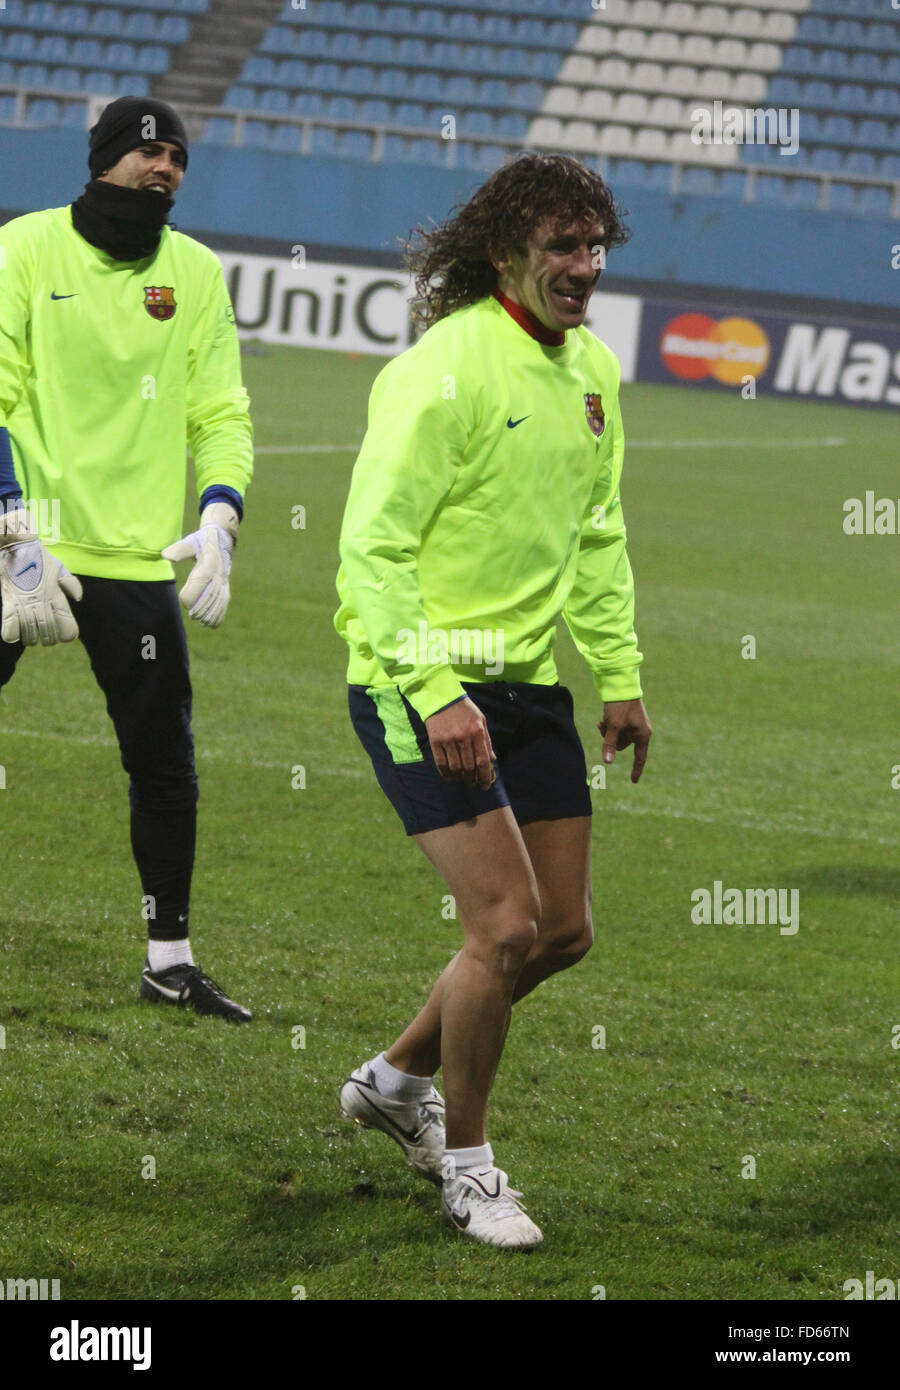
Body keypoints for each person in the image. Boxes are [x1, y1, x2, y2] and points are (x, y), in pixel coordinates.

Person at [334, 153, 652, 1248]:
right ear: (506, 251)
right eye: (563, 245)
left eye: (595, 243)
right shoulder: (442, 368)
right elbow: (371, 550)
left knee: (562, 932)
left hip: (526, 688)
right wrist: (432, 691)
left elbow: (599, 538)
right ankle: (467, 1165)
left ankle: (391, 1078)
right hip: (415, 680)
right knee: (504, 926)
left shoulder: (596, 373)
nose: (585, 265)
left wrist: (621, 676)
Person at [0, 97, 254, 1021]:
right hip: (23, 541)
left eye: (178, 158)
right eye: (149, 153)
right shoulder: (24, 247)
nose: (166, 170)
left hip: (137, 560)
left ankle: (169, 960)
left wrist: (221, 512)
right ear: (107, 158)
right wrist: (9, 525)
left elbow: (220, 407)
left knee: (164, 764)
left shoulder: (194, 272)